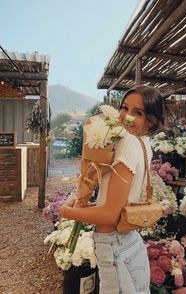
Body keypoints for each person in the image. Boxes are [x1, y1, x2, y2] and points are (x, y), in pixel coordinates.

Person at [60, 85, 165, 294]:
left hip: (115, 245)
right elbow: (117, 201)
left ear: (150, 121)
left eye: (137, 113)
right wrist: (90, 205)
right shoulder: (145, 143)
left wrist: (66, 212)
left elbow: (109, 215)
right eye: (124, 108)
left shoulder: (127, 142)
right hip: (129, 242)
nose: (126, 116)